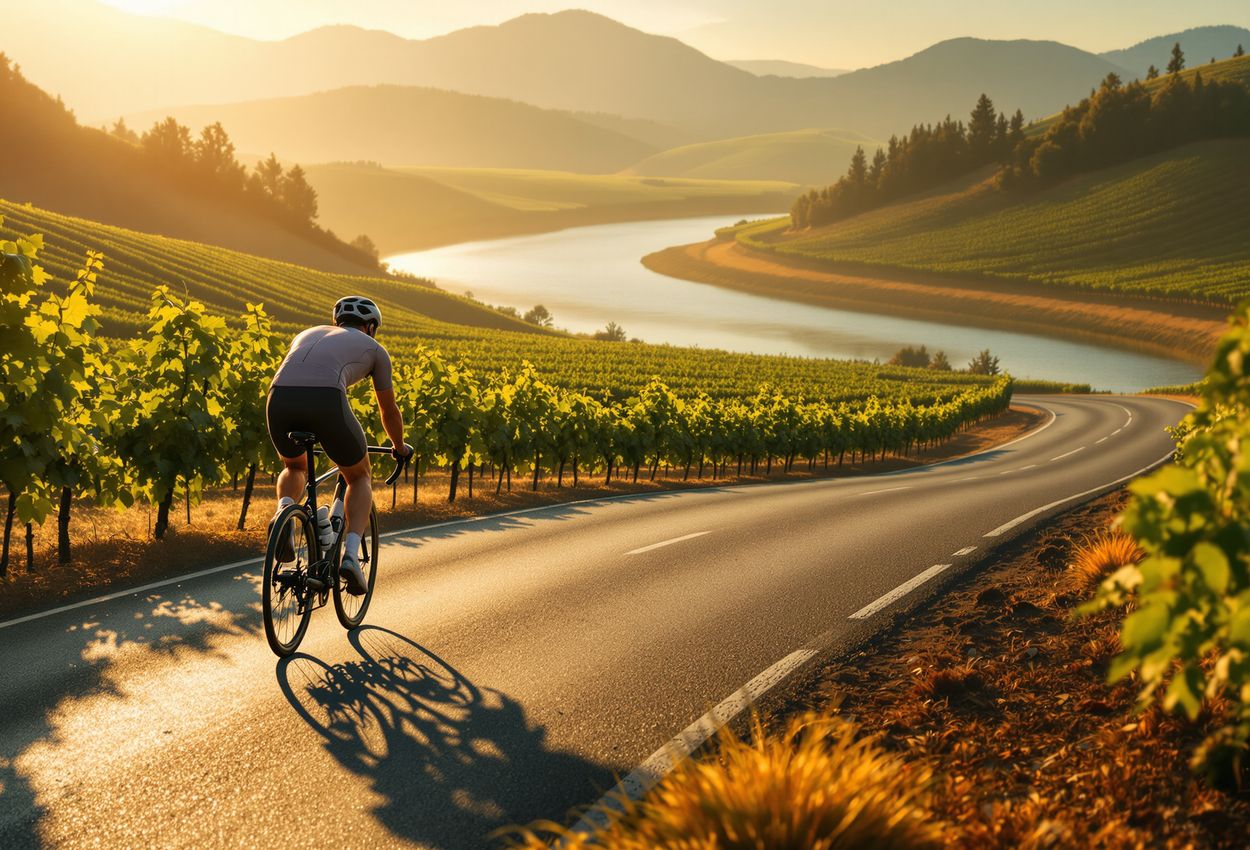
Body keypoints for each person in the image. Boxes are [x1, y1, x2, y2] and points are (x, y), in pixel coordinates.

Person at [265, 296, 411, 594]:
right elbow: (388, 410)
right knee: (358, 476)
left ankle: (283, 512)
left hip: (278, 397)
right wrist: (399, 446)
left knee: (294, 465)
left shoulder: (306, 333)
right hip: (325, 399)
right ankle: (351, 557)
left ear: (336, 321)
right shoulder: (376, 350)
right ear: (371, 326)